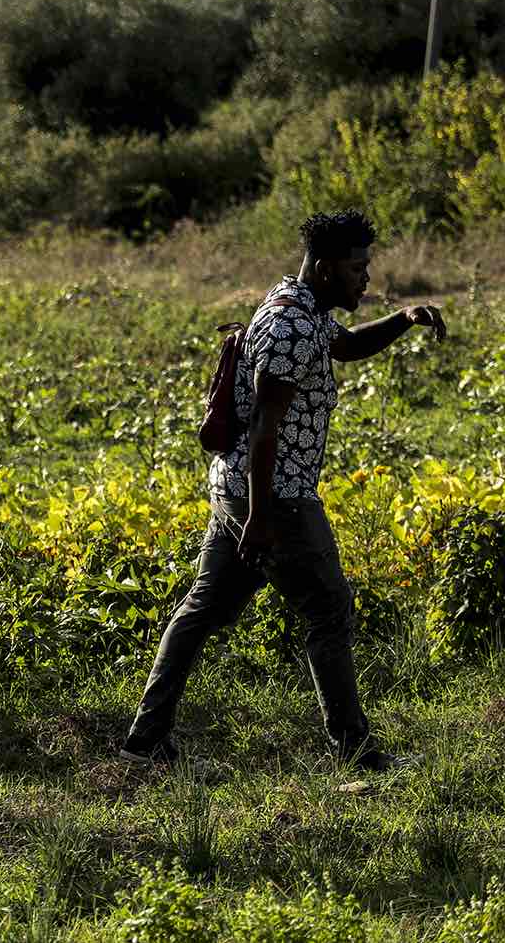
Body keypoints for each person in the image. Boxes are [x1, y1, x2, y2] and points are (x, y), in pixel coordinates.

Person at [120, 209, 446, 771]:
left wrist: (403, 319)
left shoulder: (298, 304)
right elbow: (267, 424)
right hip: (276, 496)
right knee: (328, 610)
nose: (364, 279)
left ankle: (145, 740)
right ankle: (354, 749)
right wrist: (263, 517)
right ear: (324, 268)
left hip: (238, 492)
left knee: (201, 609)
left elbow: (341, 347)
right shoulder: (293, 325)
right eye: (356, 268)